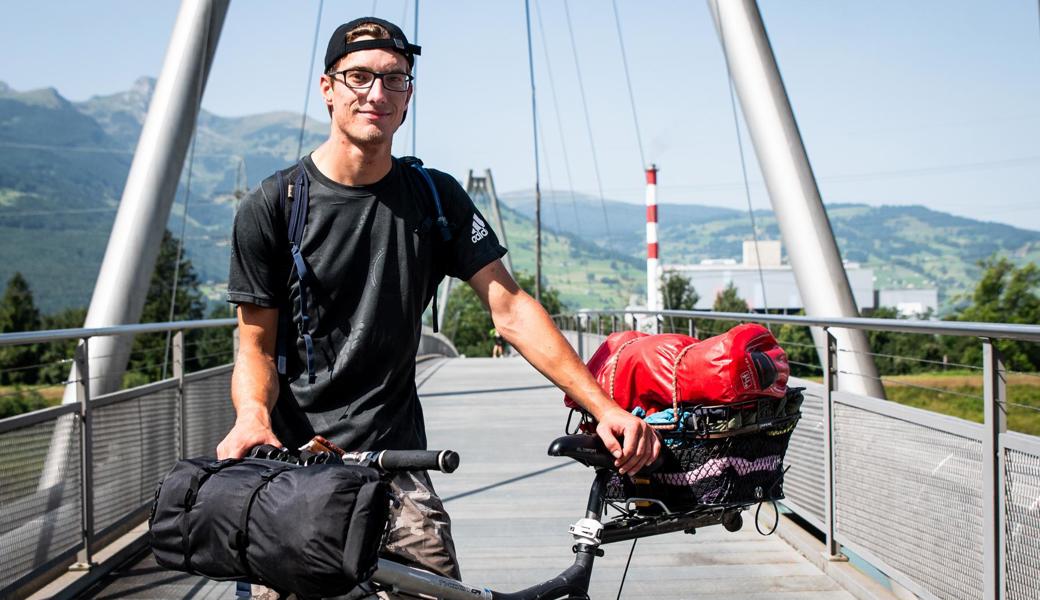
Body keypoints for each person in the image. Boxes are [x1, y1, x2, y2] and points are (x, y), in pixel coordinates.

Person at [217, 15, 660, 590]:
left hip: (396, 464)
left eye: (395, 79)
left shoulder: (434, 197)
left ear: (408, 96)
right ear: (327, 88)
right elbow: (254, 347)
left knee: (438, 587)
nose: (377, 93)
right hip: (296, 466)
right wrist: (252, 416)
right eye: (359, 77)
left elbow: (510, 308)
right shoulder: (274, 207)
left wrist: (605, 409)